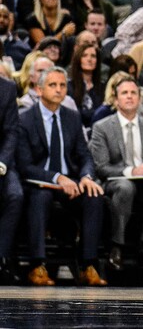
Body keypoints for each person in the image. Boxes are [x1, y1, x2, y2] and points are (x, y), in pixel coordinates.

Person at [18, 66, 106, 286]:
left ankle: (88, 265)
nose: (58, 90)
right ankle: (37, 265)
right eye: (52, 85)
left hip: (71, 184)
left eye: (62, 85)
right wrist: (56, 178)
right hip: (40, 183)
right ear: (39, 90)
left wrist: (86, 176)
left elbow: (84, 154)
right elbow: (25, 165)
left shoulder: (72, 117)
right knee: (41, 198)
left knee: (94, 196)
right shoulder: (25, 119)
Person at [89, 75, 143, 272]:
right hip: (114, 181)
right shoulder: (102, 127)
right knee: (125, 186)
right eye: (124, 93)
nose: (129, 97)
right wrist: (131, 171)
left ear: (139, 98)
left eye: (133, 93)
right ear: (116, 99)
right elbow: (101, 167)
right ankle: (116, 247)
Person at [0, 73, 22, 281]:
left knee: (14, 195)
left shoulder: (7, 88)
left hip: (1, 162)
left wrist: (2, 163)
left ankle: (3, 258)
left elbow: (11, 132)